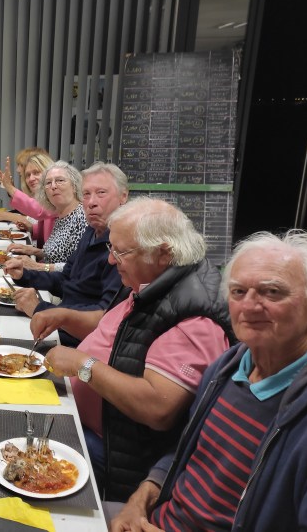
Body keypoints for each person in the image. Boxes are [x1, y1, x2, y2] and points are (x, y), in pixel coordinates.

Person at [110, 230, 307, 532]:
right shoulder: (226, 368)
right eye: (238, 292)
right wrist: (140, 500)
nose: (249, 306)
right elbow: (184, 452)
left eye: (272, 292)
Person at [42, 198, 234, 502]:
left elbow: (158, 408)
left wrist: (83, 365)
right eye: (111, 248)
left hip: (111, 455)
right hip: (83, 421)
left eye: (120, 252)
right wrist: (66, 318)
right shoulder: (149, 280)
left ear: (164, 253)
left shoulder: (195, 317)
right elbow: (118, 339)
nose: (111, 260)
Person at [4, 162, 129, 347]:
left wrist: (40, 308)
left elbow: (105, 321)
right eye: (86, 194)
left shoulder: (125, 248)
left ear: (123, 196)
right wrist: (24, 276)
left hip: (78, 343)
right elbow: (65, 279)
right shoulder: (91, 231)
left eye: (101, 193)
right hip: (61, 323)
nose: (91, 202)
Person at [5, 161, 87, 270]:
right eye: (48, 183)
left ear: (74, 186)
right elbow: (58, 254)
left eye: (60, 180)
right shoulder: (62, 216)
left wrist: (38, 266)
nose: (53, 186)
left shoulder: (82, 218)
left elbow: (79, 268)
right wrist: (33, 251)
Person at [0, 150, 55, 245]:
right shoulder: (44, 195)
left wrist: (9, 187)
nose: (31, 178)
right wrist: (32, 228)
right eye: (28, 175)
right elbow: (47, 230)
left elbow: (39, 211)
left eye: (36, 172)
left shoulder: (56, 195)